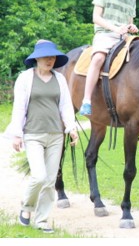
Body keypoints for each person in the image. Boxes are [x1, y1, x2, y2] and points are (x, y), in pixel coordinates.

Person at [4, 40, 79, 233]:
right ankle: (27, 207)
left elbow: (65, 106)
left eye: (53, 57)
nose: (50, 60)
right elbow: (19, 107)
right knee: (39, 176)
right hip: (33, 135)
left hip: (56, 136)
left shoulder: (60, 79)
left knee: (50, 181)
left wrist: (71, 127)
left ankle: (42, 220)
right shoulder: (25, 79)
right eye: (46, 57)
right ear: (36, 59)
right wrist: (16, 134)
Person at [79, 0, 139, 116]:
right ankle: (86, 100)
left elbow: (129, 22)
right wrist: (115, 28)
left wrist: (131, 27)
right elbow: (96, 18)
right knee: (99, 58)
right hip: (105, 34)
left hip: (124, 38)